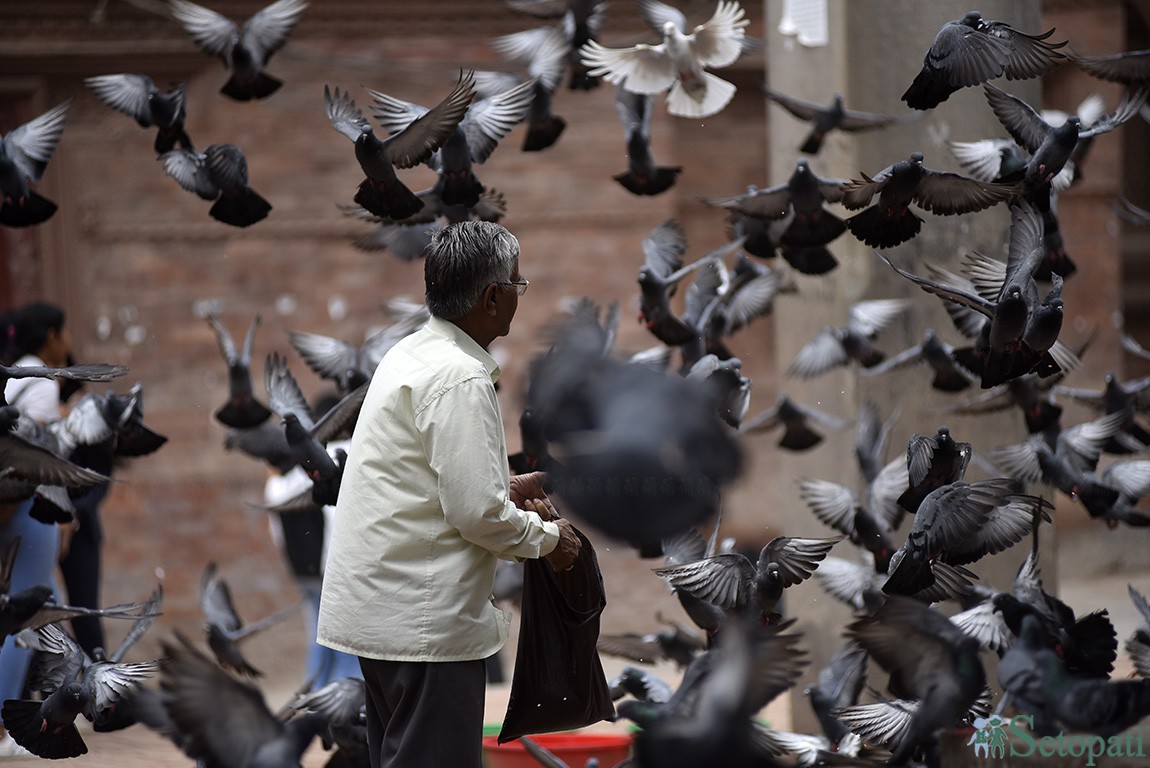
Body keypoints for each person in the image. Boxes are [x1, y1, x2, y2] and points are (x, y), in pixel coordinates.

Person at [317, 220, 581, 768]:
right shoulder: (459, 377)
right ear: (491, 297)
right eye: (516, 283)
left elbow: (419, 482)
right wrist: (549, 539)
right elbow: (477, 515)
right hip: (425, 630)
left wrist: (501, 487)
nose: (518, 293)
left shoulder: (410, 354)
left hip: (382, 619)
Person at [0, 301, 71, 757]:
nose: (66, 344)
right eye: (63, 334)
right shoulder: (42, 379)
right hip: (29, 507)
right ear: (50, 336)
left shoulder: (11, 374)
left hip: (5, 509)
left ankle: (52, 718)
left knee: (47, 613)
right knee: (24, 618)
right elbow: (37, 458)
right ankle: (6, 728)